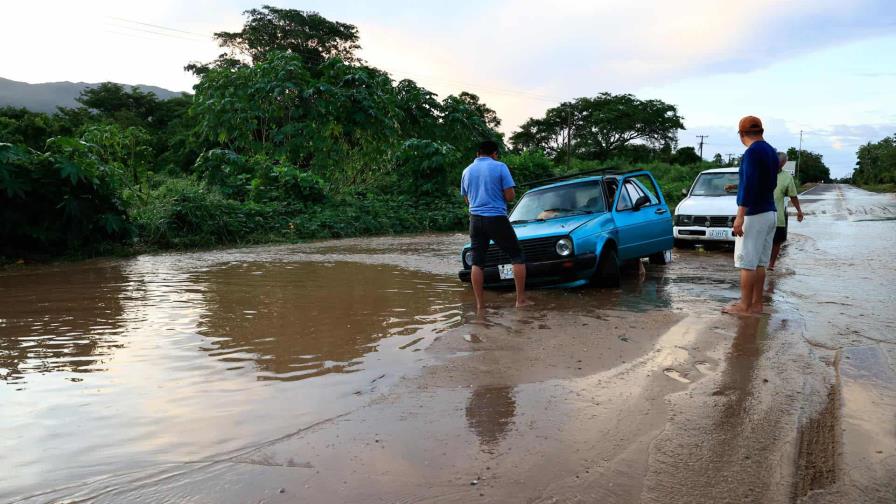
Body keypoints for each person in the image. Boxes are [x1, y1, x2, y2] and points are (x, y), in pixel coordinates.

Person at [461, 140, 531, 310]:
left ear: (477, 153)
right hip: (496, 218)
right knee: (517, 255)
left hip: (475, 219)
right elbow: (510, 196)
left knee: (477, 262)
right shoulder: (500, 167)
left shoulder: (466, 171)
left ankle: (480, 305)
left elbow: (466, 199)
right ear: (494, 154)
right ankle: (520, 300)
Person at [723, 116, 778, 316]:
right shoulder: (771, 151)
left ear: (742, 134)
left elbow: (749, 184)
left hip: (754, 214)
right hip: (770, 212)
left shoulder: (752, 152)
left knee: (747, 262)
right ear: (761, 131)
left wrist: (740, 216)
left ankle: (744, 306)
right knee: (760, 263)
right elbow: (763, 182)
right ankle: (756, 304)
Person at [768, 151, 804, 271]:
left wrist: (799, 211)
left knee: (776, 242)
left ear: (784, 163)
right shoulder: (762, 172)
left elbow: (793, 195)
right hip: (761, 214)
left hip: (777, 216)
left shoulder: (787, 177)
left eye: (780, 163)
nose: (778, 164)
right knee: (761, 241)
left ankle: (771, 265)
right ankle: (760, 264)